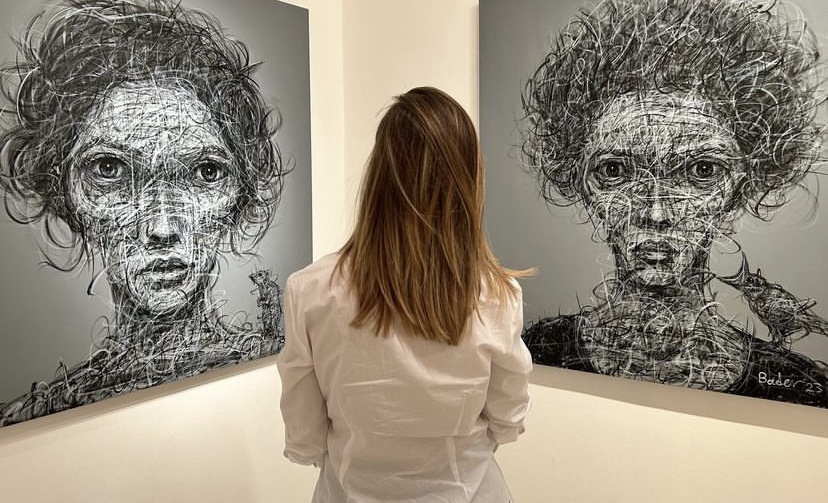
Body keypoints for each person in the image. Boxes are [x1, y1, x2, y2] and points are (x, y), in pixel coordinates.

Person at [521, 0, 828, 407]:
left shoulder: (798, 387)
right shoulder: (537, 353)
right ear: (578, 180)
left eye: (702, 170)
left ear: (742, 188)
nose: (656, 213)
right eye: (615, 170)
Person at [0, 0, 284, 425]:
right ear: (64, 193)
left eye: (205, 172)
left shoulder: (270, 360)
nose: (162, 227)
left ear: (240, 192)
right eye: (109, 170)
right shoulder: (36, 412)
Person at [278, 87, 532, 502]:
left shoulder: (310, 290)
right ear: (469, 178)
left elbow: (304, 438)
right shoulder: (497, 296)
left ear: (378, 175)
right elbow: (508, 420)